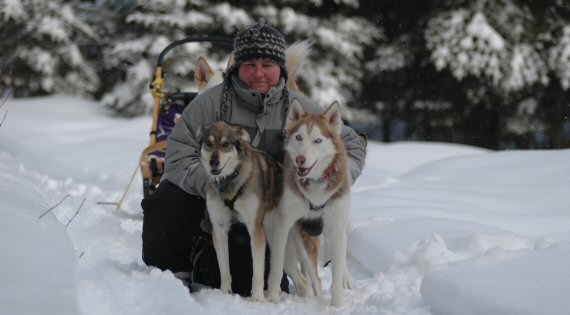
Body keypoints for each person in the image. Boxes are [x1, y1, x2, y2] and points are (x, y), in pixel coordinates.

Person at [141, 20, 366, 296]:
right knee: (166, 200)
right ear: (236, 67)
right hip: (206, 196)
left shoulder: (297, 108)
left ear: (280, 69)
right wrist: (218, 187)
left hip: (259, 210)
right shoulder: (209, 103)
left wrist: (331, 180)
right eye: (250, 65)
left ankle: (206, 255)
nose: (259, 73)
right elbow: (177, 159)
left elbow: (351, 146)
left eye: (267, 65)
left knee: (245, 281)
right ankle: (170, 273)